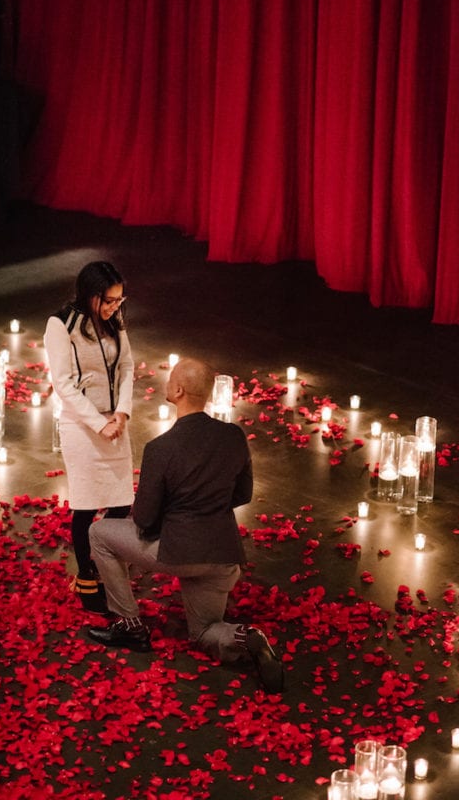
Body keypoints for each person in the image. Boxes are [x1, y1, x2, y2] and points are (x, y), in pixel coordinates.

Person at [87, 357, 284, 693]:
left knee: (99, 533)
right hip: (223, 557)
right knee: (205, 630)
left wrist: (176, 518)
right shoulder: (233, 435)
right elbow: (243, 493)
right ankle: (247, 637)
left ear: (177, 390)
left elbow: (146, 520)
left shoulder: (161, 448)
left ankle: (129, 623)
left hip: (180, 552)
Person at [44, 260, 134, 613]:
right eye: (109, 300)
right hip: (81, 426)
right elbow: (63, 384)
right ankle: (86, 576)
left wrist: (122, 412)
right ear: (91, 295)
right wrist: (99, 423)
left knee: (120, 502)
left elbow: (126, 365)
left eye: (119, 300)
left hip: (116, 422)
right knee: (84, 508)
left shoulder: (115, 321)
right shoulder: (61, 324)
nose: (115, 307)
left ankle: (105, 561)